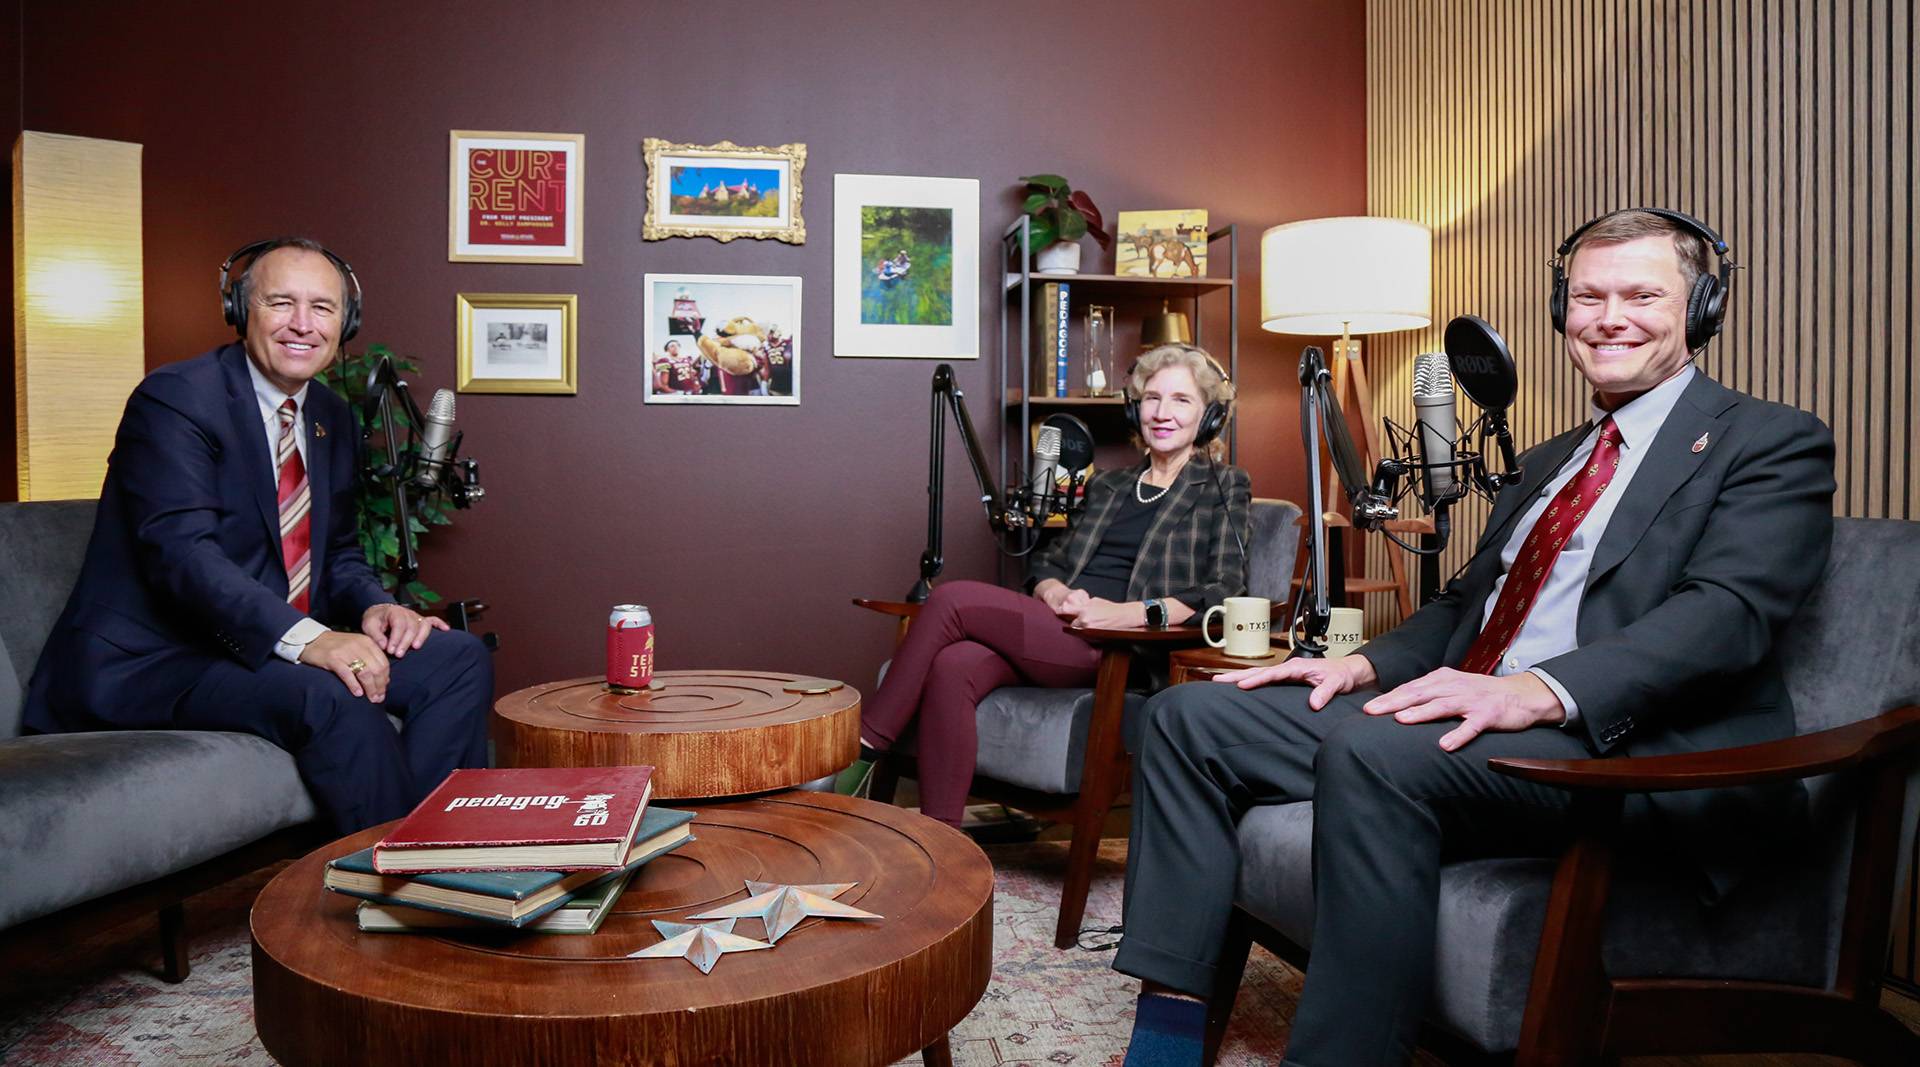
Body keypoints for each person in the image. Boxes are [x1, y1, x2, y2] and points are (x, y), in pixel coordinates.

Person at [1111, 210, 1837, 1066]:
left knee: (1375, 752)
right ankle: (1166, 1036)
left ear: (1703, 308)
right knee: (1190, 718)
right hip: (1478, 719)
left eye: (1643, 295)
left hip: (1618, 744)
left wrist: (1534, 690)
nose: (1610, 317)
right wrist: (1361, 663)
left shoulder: (1770, 441)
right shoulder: (1548, 459)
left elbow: (1728, 616)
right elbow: (1465, 604)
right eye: (1588, 297)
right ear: (1560, 313)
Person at [24, 238, 493, 834]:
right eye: (281, 302)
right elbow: (182, 557)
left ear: (344, 322)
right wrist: (313, 641)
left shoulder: (330, 416)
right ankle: (397, 888)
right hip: (156, 659)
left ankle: (442, 849)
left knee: (456, 659)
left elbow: (339, 551)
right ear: (241, 311)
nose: (303, 324)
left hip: (252, 649)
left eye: (322, 308)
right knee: (329, 695)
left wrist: (376, 607)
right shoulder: (176, 400)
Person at [839, 344, 1253, 827]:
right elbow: (1048, 562)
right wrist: (1056, 593)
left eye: (1181, 400)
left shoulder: (1224, 486)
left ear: (1209, 416)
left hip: (1118, 647)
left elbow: (1226, 590)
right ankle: (943, 845)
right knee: (953, 665)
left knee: (951, 597)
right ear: (1133, 406)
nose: (1162, 413)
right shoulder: (1110, 485)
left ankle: (862, 748)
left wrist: (1128, 613)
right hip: (1059, 627)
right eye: (1151, 398)